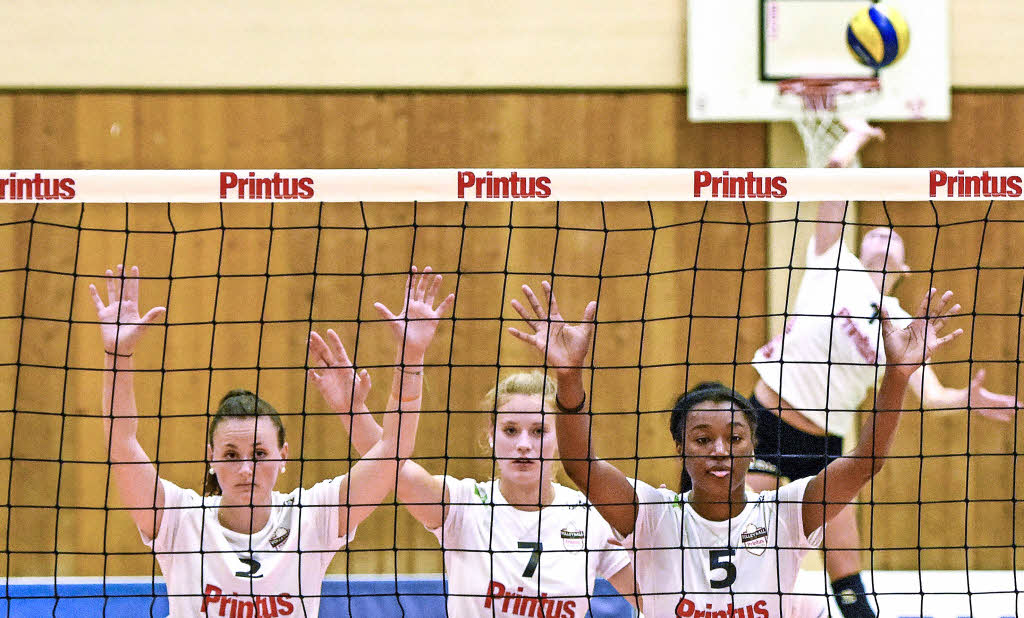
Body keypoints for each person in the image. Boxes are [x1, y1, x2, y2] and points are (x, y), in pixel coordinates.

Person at [511, 277, 962, 617]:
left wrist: (898, 377)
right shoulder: (650, 514)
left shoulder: (785, 513)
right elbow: (581, 467)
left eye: (734, 438)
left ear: (753, 446)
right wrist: (568, 378)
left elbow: (866, 462)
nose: (719, 451)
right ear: (680, 449)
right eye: (702, 440)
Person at [743, 118, 1021, 618]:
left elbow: (932, 396)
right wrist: (857, 137)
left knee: (844, 563)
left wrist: (968, 399)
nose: (881, 232)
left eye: (893, 237)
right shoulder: (833, 260)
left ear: (903, 268)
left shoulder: (900, 323)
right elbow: (833, 175)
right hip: (762, 420)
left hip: (822, 442)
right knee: (736, 536)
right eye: (874, 230)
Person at [308, 267, 640, 617]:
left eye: (539, 431)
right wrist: (363, 401)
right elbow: (390, 465)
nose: (524, 444)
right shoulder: (463, 507)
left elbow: (659, 598)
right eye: (511, 430)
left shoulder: (588, 517)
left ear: (559, 439)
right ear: (491, 437)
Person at [92, 264, 417, 617]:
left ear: (284, 456)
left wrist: (405, 362)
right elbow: (122, 443)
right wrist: (117, 357)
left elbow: (394, 452)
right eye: (231, 455)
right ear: (211, 459)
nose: (246, 468)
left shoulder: (312, 518)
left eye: (260, 453)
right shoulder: (178, 520)